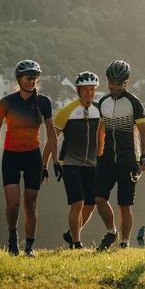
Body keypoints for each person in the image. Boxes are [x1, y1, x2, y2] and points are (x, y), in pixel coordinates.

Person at [0, 59, 57, 257]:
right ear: (19, 79)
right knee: (13, 203)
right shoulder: (7, 102)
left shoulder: (43, 102)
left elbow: (51, 133)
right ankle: (12, 236)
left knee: (31, 203)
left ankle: (29, 247)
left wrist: (54, 162)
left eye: (35, 78)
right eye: (28, 78)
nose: (31, 81)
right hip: (11, 155)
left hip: (32, 156)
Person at [94, 59, 145, 250]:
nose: (114, 87)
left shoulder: (133, 103)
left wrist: (144, 155)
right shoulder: (103, 102)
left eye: (118, 84)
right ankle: (111, 232)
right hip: (107, 159)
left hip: (129, 161)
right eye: (111, 83)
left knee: (124, 204)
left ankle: (125, 243)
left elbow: (144, 132)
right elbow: (101, 130)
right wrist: (97, 154)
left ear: (126, 82)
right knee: (99, 198)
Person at [52, 71, 104, 250]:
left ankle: (71, 233)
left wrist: (102, 158)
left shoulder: (99, 110)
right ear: (78, 90)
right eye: (85, 90)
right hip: (71, 163)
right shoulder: (67, 111)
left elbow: (102, 136)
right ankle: (76, 242)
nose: (89, 93)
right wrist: (48, 163)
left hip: (91, 164)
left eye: (92, 90)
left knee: (91, 204)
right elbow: (53, 139)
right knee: (78, 203)